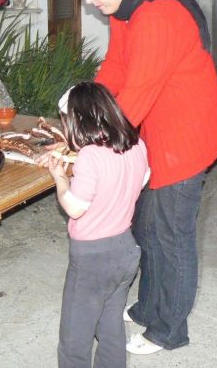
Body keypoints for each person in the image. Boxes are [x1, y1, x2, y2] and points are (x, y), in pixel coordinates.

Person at [69, 0, 217, 355]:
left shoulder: (157, 15)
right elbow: (116, 68)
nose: (89, 2)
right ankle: (146, 308)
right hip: (152, 135)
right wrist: (83, 105)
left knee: (170, 234)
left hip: (185, 136)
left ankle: (169, 329)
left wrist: (86, 143)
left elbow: (136, 95)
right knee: (144, 227)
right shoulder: (126, 7)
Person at [42, 81, 149, 368]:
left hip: (92, 260)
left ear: (77, 121)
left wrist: (61, 179)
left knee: (74, 338)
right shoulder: (137, 144)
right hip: (126, 251)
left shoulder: (90, 156)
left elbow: (75, 208)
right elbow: (142, 179)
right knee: (110, 326)